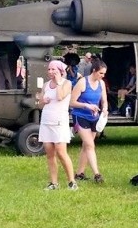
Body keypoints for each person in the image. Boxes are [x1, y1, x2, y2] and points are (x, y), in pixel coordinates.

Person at [38, 60, 77, 191]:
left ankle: (72, 182)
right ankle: (53, 183)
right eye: (49, 69)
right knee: (49, 154)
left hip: (59, 122)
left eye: (53, 69)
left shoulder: (67, 83)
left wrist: (59, 81)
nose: (50, 72)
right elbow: (39, 103)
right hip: (46, 121)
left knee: (61, 153)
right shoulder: (46, 85)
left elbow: (60, 97)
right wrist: (42, 100)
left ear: (60, 70)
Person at [71, 58, 108, 184]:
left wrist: (105, 109)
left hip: (94, 117)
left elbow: (104, 100)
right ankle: (97, 174)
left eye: (104, 74)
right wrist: (87, 106)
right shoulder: (82, 82)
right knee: (90, 145)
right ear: (94, 71)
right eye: (101, 73)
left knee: (86, 146)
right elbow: (72, 102)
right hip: (80, 116)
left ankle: (79, 173)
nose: (102, 76)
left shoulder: (101, 83)